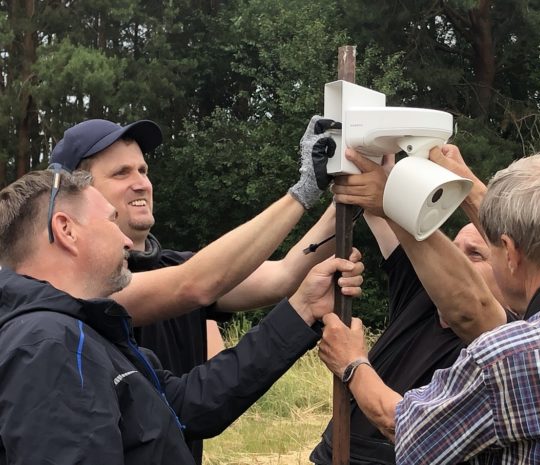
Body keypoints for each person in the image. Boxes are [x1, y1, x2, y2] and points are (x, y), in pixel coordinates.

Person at [0, 168, 364, 465]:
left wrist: (303, 309)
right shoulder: (50, 345)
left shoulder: (82, 335)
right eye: (111, 221)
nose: (125, 240)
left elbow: (190, 405)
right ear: (66, 230)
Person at [49, 117, 339, 460]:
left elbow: (284, 275)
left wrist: (349, 198)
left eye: (143, 170)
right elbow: (195, 284)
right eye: (121, 173)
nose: (141, 183)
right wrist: (303, 191)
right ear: (78, 195)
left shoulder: (174, 265)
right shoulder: (79, 288)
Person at [320, 151, 540, 464]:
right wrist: (461, 179)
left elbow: (410, 429)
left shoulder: (505, 358)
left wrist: (352, 364)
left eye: (480, 252)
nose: (459, 261)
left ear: (510, 252)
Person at [310, 153, 511, 465]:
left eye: (474, 254)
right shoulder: (421, 291)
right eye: (452, 249)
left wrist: (351, 363)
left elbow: (402, 424)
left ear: (510, 270)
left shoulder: (504, 337)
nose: (455, 259)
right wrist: (368, 153)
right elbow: (375, 205)